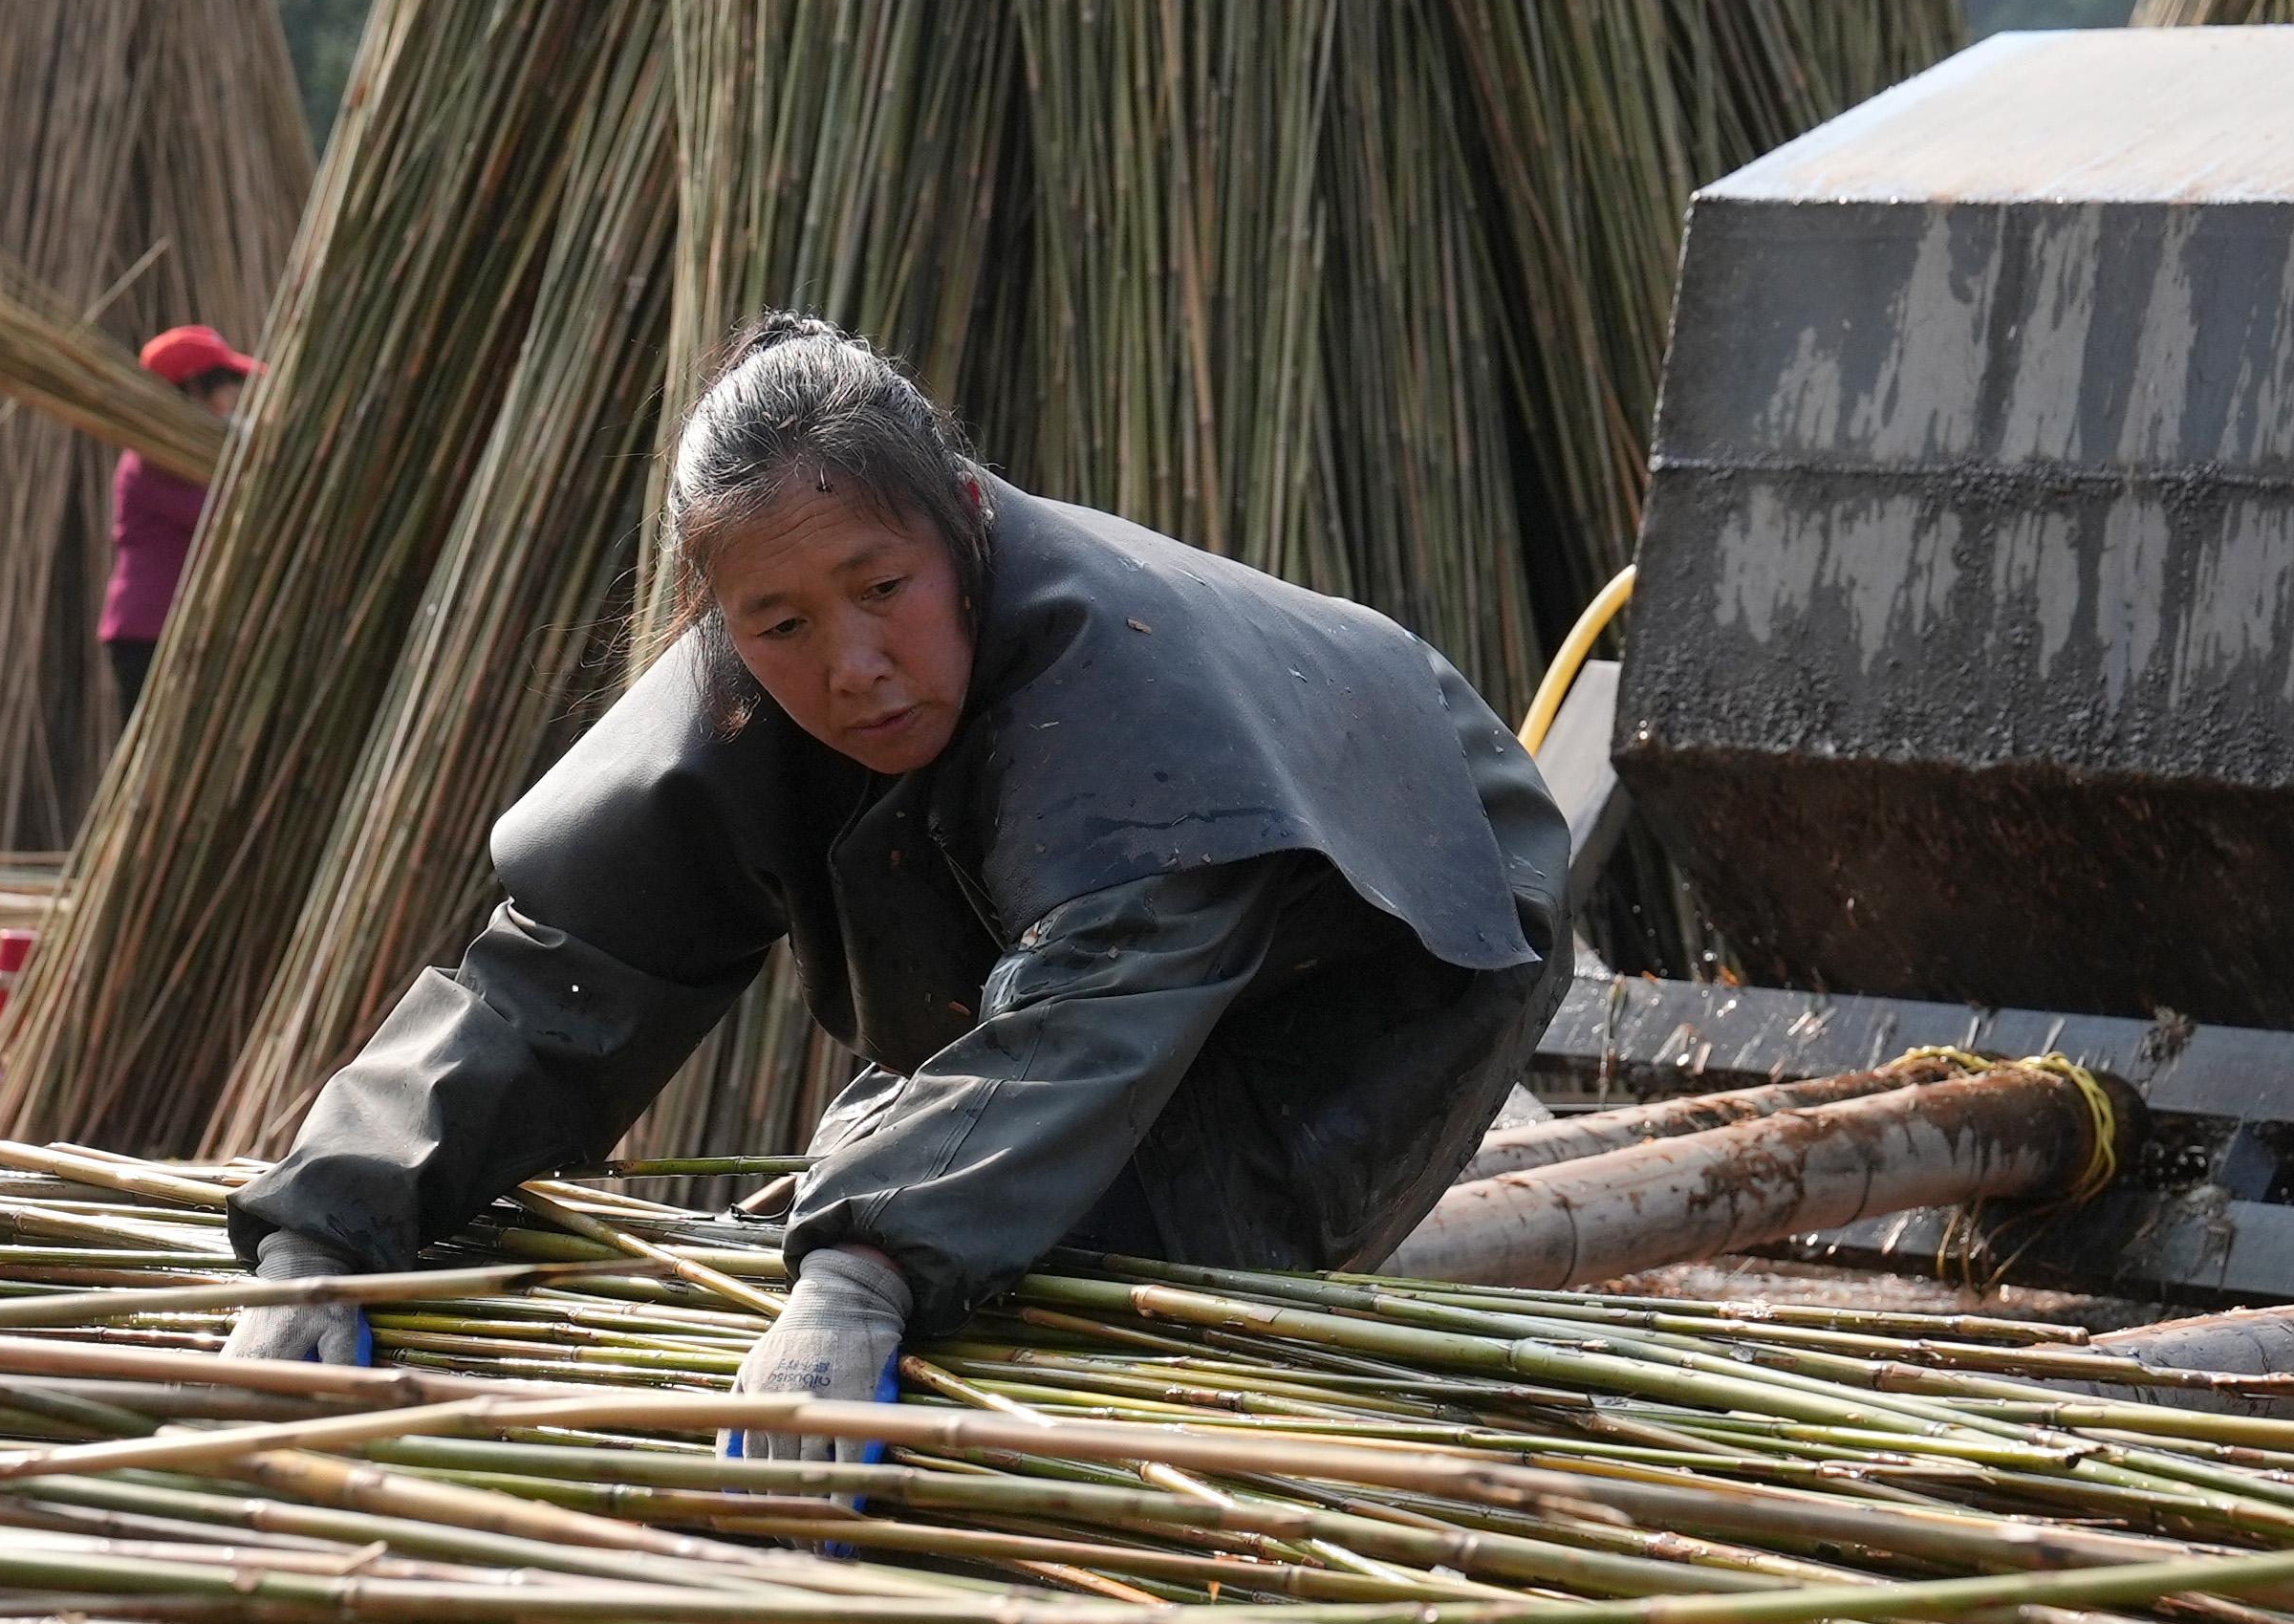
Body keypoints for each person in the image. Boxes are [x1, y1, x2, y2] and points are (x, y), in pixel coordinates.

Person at [223, 315, 1571, 1454]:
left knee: (1095, 1271)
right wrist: (326, 1229)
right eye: (783, 624)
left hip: (1405, 904)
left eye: (882, 589)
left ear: (968, 522)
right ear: (721, 614)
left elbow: (1091, 1014)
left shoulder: (1122, 689)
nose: (850, 663)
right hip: (1086, 933)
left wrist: (862, 1275)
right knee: (922, 1207)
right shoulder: (752, 688)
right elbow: (556, 978)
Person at [97, 324, 254, 727]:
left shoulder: (196, 454)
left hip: (181, 629)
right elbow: (227, 513)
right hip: (150, 633)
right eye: (225, 389)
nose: (232, 400)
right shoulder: (152, 462)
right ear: (194, 392)